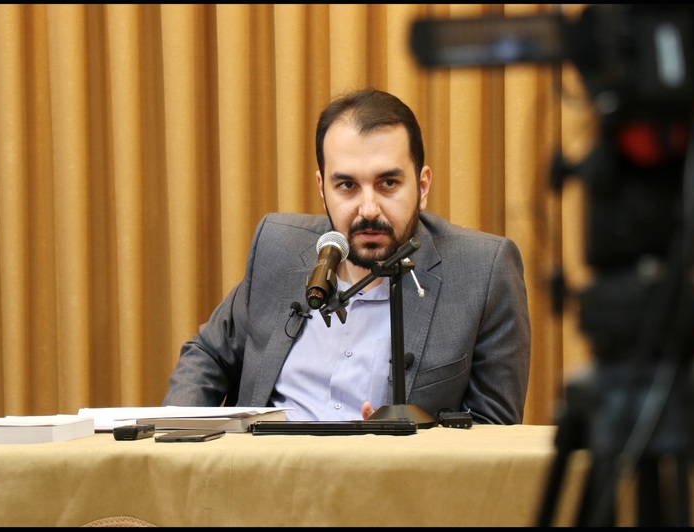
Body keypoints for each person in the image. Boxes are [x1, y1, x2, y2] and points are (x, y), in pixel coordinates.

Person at [163, 88, 531, 424]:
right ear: (322, 188)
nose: (368, 208)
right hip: (264, 469)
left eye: (388, 183)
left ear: (422, 187)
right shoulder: (277, 246)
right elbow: (208, 354)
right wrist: (179, 444)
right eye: (347, 186)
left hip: (387, 475)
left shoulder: (482, 271)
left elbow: (492, 429)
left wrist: (404, 442)